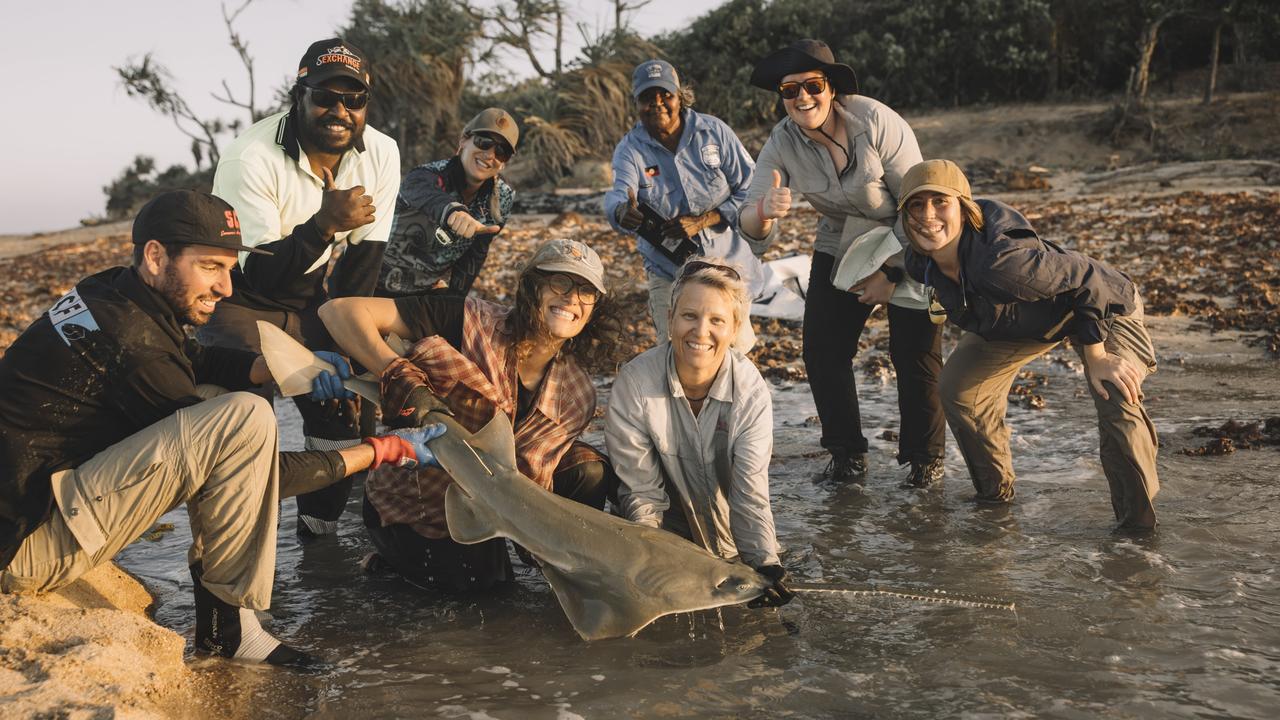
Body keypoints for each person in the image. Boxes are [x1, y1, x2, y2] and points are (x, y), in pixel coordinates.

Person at [0, 191, 440, 667]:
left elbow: (194, 360)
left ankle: (223, 624)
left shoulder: (112, 293)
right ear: (155, 255)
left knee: (220, 398)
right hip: (26, 550)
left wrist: (286, 367)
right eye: (211, 266)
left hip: (34, 500)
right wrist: (381, 451)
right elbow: (248, 471)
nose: (226, 288)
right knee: (243, 418)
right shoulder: (133, 342)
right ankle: (230, 631)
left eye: (230, 269)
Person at [320, 239, 622, 592]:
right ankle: (390, 562)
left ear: (595, 307)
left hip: (495, 497)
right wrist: (397, 375)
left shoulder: (578, 393)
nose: (572, 298)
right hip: (417, 503)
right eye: (560, 282)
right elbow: (338, 312)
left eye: (586, 291)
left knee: (589, 468)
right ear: (532, 287)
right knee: (484, 596)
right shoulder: (468, 320)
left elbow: (535, 477)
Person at [201, 38, 402, 539]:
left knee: (340, 414)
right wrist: (323, 225)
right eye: (324, 97)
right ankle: (241, 543)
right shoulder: (249, 158)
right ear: (300, 94)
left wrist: (344, 346)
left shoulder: (381, 152)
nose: (339, 111)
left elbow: (362, 265)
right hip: (239, 302)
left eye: (353, 100)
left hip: (311, 298)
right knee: (247, 424)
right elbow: (261, 275)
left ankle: (317, 542)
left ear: (366, 104)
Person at [898, 159, 1160, 531]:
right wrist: (884, 278)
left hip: (1103, 306)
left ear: (964, 208)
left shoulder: (1002, 264)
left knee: (1115, 390)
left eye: (940, 202)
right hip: (1022, 322)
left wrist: (1097, 355)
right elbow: (901, 261)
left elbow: (1090, 279)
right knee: (958, 389)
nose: (927, 215)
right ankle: (995, 501)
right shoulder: (917, 258)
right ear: (904, 215)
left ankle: (1138, 534)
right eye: (916, 205)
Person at [739, 39, 945, 487]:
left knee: (915, 352)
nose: (802, 99)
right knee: (822, 349)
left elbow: (921, 207)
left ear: (831, 88)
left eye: (812, 86)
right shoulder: (781, 141)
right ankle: (847, 455)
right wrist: (763, 212)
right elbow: (749, 225)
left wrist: (890, 274)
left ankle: (924, 461)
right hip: (842, 238)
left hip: (910, 235)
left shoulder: (876, 122)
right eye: (789, 91)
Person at [604, 257, 793, 607]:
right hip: (661, 536)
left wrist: (763, 561)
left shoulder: (750, 390)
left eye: (717, 320)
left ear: (734, 329)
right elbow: (642, 494)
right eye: (689, 316)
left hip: (731, 541)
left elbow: (750, 490)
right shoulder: (634, 382)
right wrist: (656, 568)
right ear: (670, 319)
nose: (701, 331)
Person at [604, 59, 768, 348]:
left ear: (680, 97)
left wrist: (704, 220)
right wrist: (621, 211)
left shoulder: (714, 132)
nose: (657, 104)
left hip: (727, 265)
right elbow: (619, 192)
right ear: (636, 103)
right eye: (647, 97)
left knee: (735, 351)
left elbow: (752, 188)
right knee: (674, 350)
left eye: (665, 95)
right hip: (669, 272)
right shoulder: (629, 149)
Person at [378, 108, 518, 297]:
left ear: (504, 162)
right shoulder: (426, 175)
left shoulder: (501, 199)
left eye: (502, 151)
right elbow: (421, 192)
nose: (490, 155)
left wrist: (454, 300)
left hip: (420, 296)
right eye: (484, 142)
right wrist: (453, 212)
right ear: (464, 140)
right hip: (369, 283)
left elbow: (475, 255)